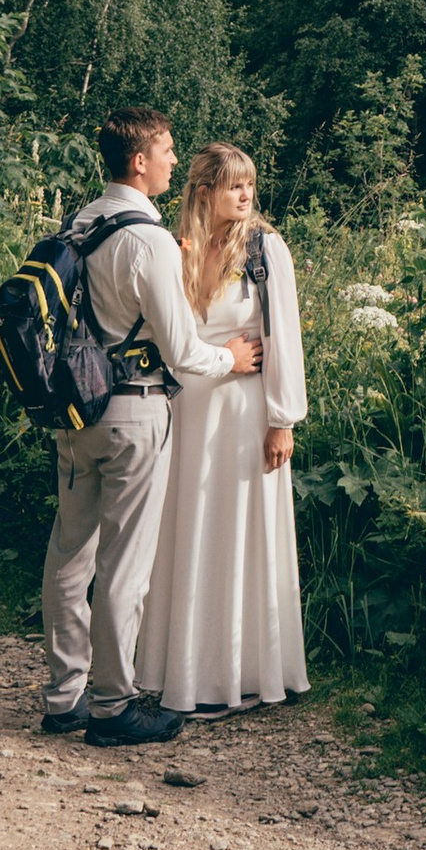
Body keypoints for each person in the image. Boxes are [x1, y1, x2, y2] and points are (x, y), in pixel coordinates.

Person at [39, 109, 264, 747]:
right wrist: (235, 359)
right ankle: (113, 707)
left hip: (75, 409)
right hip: (134, 410)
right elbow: (186, 353)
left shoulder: (82, 220)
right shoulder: (151, 240)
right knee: (125, 566)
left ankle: (64, 698)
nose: (172, 159)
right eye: (165, 150)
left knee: (69, 554)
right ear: (139, 161)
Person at [140, 142, 310, 714]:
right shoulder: (175, 247)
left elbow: (284, 337)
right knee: (189, 532)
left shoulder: (266, 250)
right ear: (204, 191)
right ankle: (184, 671)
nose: (246, 195)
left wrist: (283, 420)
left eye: (250, 185)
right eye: (235, 185)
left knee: (240, 533)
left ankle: (246, 671)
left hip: (244, 415)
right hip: (187, 411)